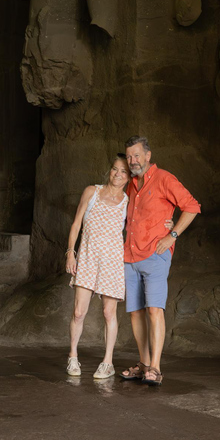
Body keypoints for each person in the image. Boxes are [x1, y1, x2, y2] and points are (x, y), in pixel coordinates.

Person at [64, 155, 173, 379]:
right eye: (115, 169)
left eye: (123, 172)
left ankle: (107, 363)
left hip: (112, 261)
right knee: (78, 311)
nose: (118, 174)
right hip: (87, 257)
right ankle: (73, 357)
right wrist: (70, 253)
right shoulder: (91, 192)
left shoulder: (128, 201)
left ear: (129, 177)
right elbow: (76, 224)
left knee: (108, 312)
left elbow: (147, 219)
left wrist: (169, 224)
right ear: (110, 170)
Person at [120, 136, 200, 386]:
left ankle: (155, 367)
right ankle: (144, 364)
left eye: (136, 155)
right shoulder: (131, 184)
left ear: (148, 156)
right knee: (135, 312)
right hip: (129, 256)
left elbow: (192, 206)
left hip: (155, 255)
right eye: (129, 156)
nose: (133, 161)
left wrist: (172, 234)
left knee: (154, 310)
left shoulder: (165, 178)